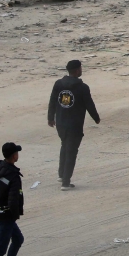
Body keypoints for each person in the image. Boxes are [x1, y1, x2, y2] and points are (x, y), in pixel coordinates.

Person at [47, 59, 100, 191]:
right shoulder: (83, 88)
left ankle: (61, 174)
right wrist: (96, 118)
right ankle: (65, 182)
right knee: (71, 152)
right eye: (80, 68)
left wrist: (50, 118)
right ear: (77, 70)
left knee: (64, 146)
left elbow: (53, 101)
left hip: (60, 123)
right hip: (74, 125)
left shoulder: (58, 84)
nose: (81, 70)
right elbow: (89, 105)